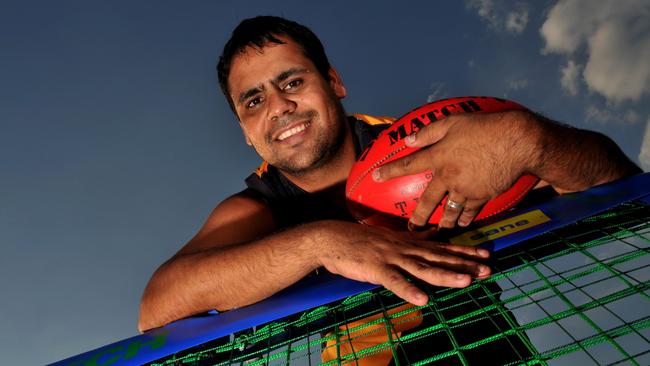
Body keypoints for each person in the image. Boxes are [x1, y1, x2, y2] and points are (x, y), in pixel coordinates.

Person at [138, 16, 640, 337]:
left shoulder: (431, 142)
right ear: (245, 131)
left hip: (487, 348)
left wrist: (532, 141)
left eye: (292, 81)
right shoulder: (261, 205)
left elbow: (621, 186)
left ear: (334, 83)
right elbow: (156, 308)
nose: (280, 107)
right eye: (254, 100)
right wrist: (320, 242)